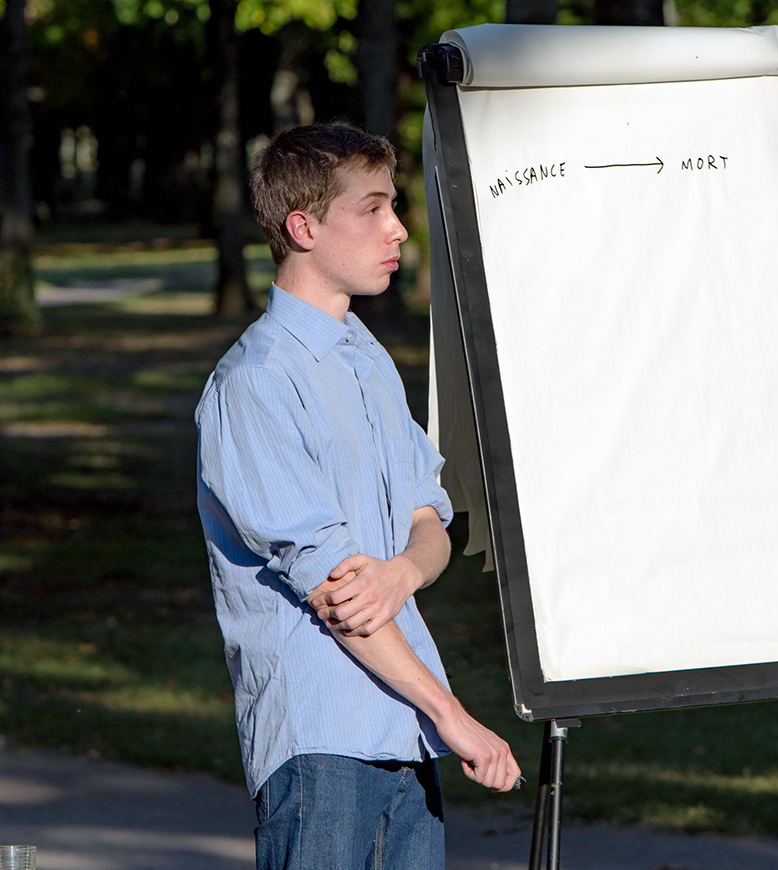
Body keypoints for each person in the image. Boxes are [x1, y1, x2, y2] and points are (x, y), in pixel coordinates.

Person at [195, 122, 521, 870]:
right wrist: (454, 716)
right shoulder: (256, 384)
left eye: (393, 206)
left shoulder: (365, 357)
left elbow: (428, 517)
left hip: (402, 731)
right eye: (372, 209)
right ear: (303, 227)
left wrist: (404, 571)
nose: (398, 228)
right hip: (321, 744)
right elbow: (340, 589)